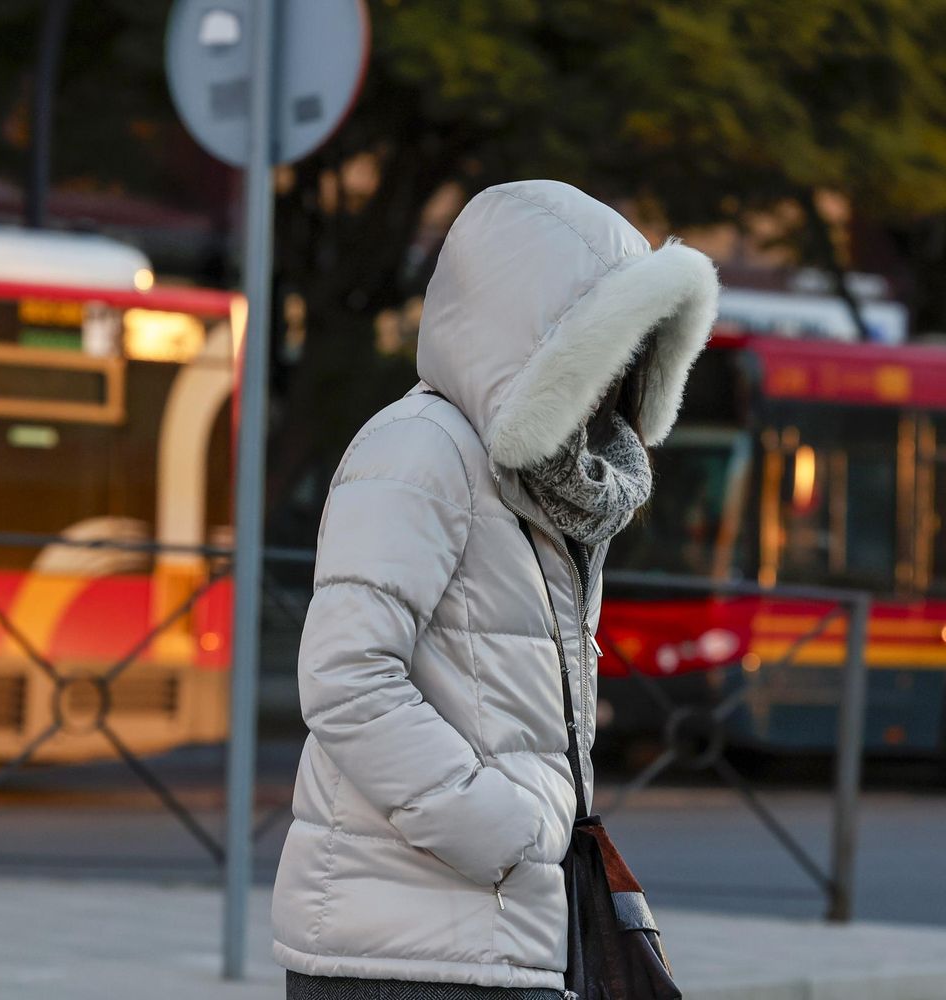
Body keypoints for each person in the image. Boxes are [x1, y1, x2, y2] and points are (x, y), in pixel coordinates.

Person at [272, 180, 720, 999]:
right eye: (602, 342)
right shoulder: (420, 450)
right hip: (400, 950)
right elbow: (346, 679)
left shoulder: (550, 489)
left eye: (632, 349)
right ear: (536, 338)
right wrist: (509, 829)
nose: (617, 372)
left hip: (495, 935)